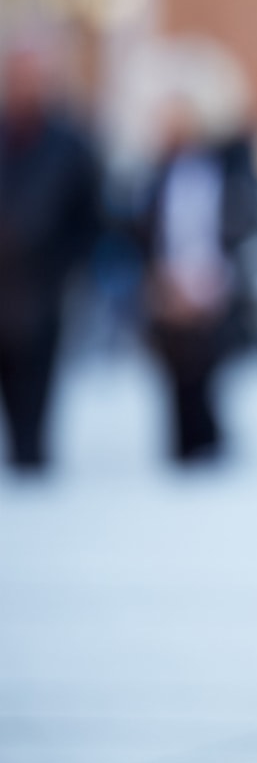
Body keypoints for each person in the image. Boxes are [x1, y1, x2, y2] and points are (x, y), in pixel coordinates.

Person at [137, 93, 257, 463]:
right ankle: (182, 450)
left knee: (209, 373)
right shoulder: (155, 175)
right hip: (169, 288)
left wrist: (213, 277)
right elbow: (146, 232)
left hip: (213, 286)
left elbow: (240, 222)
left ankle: (209, 446)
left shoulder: (222, 169)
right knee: (175, 376)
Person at [0, 39, 101, 471]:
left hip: (42, 292)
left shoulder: (70, 143)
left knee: (34, 404)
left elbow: (90, 217)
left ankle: (32, 468)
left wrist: (65, 270)